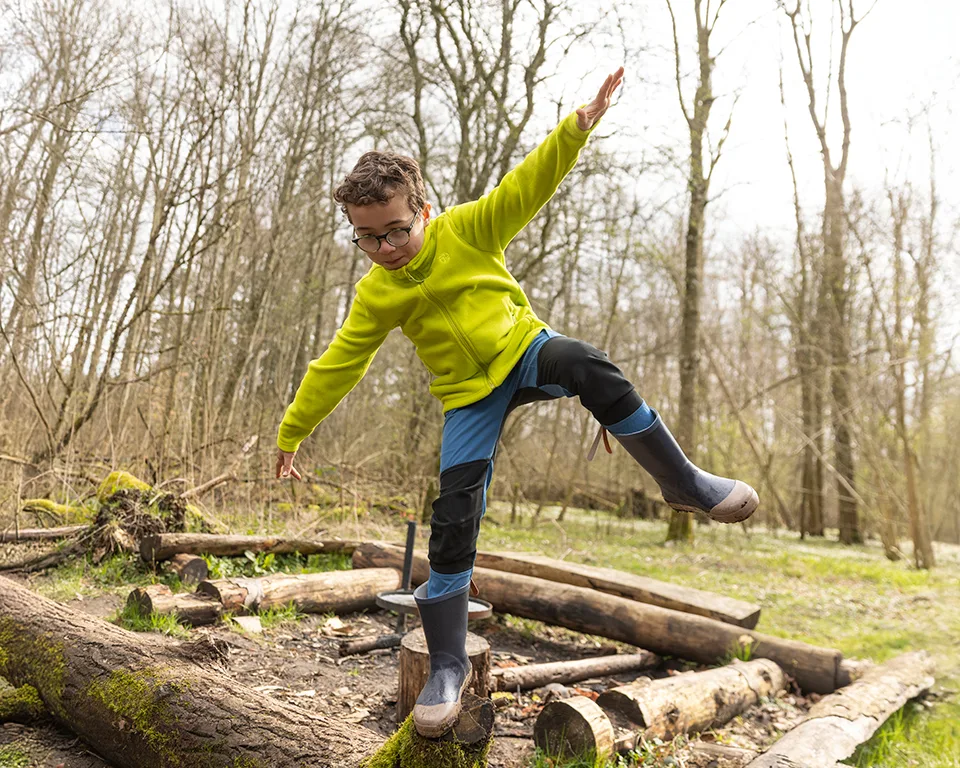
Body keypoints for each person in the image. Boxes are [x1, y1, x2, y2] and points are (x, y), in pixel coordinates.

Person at [275, 66, 758, 738]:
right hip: (468, 397)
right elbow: (339, 363)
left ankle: (684, 482)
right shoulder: (376, 292)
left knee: (586, 363)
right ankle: (445, 662)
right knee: (453, 511)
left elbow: (526, 185)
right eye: (368, 237)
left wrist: (576, 128)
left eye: (395, 231)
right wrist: (292, 432)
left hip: (525, 352)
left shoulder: (470, 229)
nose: (384, 248)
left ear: (424, 211)